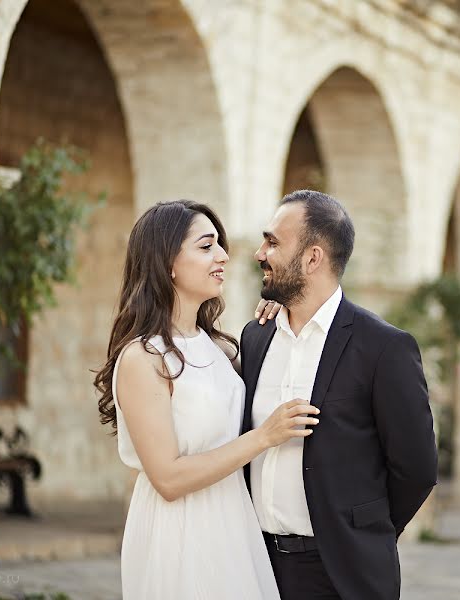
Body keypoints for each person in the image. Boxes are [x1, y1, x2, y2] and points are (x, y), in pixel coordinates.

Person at [93, 200, 314, 599]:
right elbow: (168, 479)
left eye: (220, 245)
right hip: (178, 530)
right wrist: (264, 438)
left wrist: (281, 317)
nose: (223, 256)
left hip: (233, 520)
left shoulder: (219, 349)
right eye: (206, 245)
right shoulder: (143, 358)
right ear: (167, 262)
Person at [240, 189, 439, 600]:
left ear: (313, 258)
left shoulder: (384, 348)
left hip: (342, 574)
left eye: (273, 242)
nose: (260, 253)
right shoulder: (256, 336)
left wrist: (363, 530)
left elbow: (417, 468)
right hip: (255, 566)